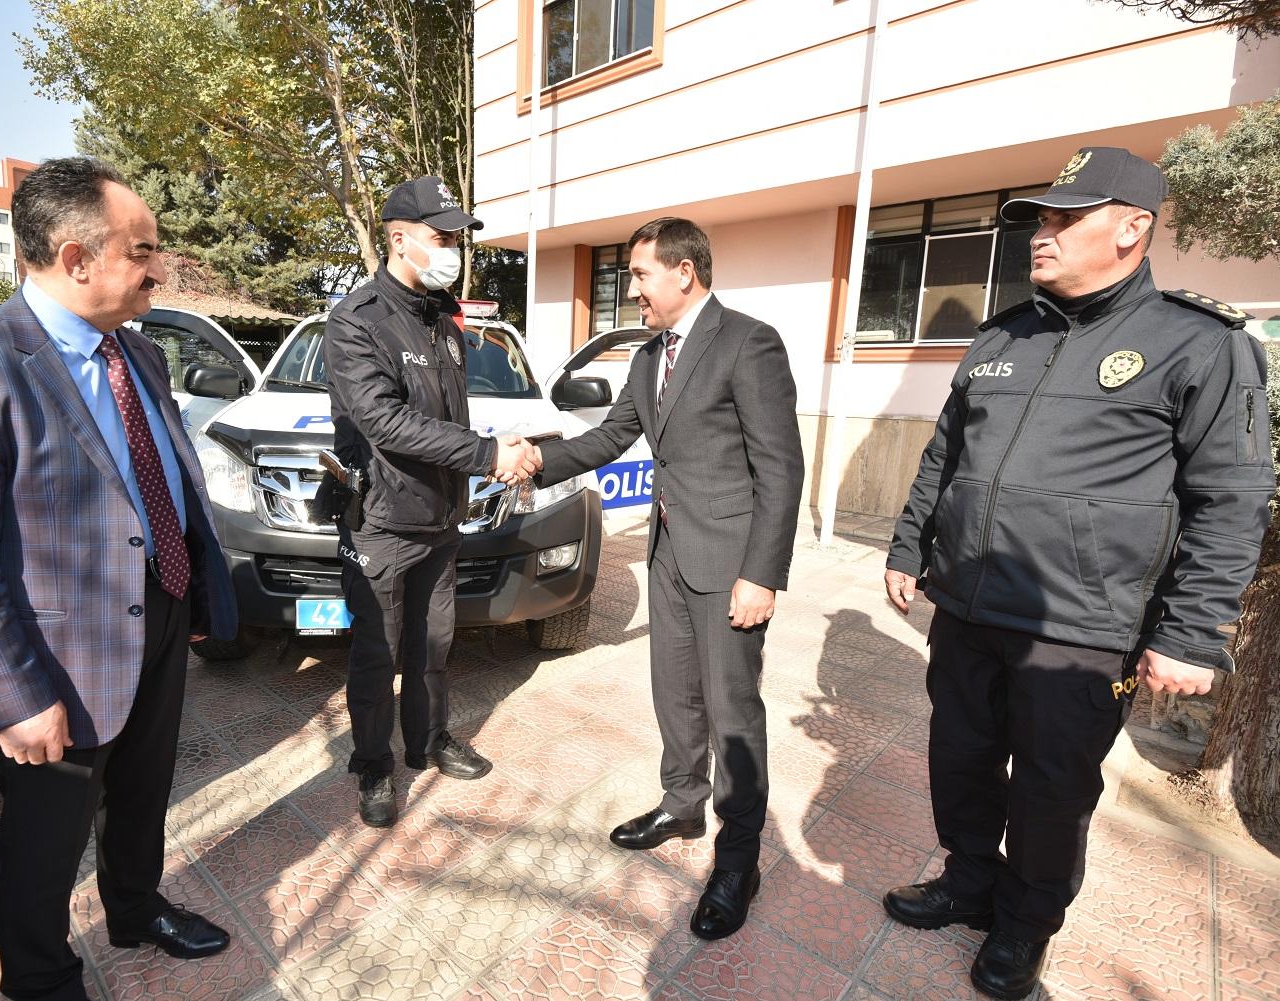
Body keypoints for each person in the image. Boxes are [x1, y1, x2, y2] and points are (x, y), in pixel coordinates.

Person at [882, 147, 1274, 1000]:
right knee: (960, 760)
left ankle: (1025, 925)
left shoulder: (1199, 343)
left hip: (1083, 630)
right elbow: (945, 456)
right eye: (1041, 219)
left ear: (1133, 228)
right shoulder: (1003, 334)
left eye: (1067, 217)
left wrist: (1191, 633)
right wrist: (910, 546)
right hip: (969, 607)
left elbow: (1232, 497)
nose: (1043, 234)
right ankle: (969, 881)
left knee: (1052, 792)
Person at [0, 157, 239, 1001]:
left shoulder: (140, 354)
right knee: (45, 835)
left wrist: (190, 592)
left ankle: (135, 907)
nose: (160, 269)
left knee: (144, 792)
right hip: (53, 656)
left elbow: (162, 482)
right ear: (77, 258)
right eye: (143, 250)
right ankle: (41, 977)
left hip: (159, 609)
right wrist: (11, 692)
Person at [532, 217, 804, 940]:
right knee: (675, 695)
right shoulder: (650, 355)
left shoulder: (749, 342)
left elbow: (781, 468)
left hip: (730, 566)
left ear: (685, 272)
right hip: (669, 556)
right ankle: (682, 805)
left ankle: (738, 860)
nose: (633, 290)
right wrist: (534, 458)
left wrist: (761, 574)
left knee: (732, 713)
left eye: (641, 274)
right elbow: (610, 436)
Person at [322, 175, 539, 828]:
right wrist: (487, 454)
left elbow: (446, 416)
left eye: (455, 238)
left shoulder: (443, 316)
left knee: (434, 644)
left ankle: (428, 740)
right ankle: (373, 764)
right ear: (398, 239)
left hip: (441, 517)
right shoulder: (356, 320)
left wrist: (492, 458)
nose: (452, 249)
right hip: (382, 522)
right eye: (441, 237)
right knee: (376, 653)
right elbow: (385, 422)